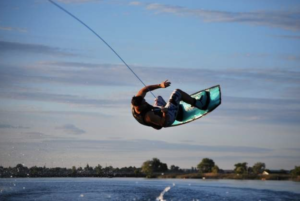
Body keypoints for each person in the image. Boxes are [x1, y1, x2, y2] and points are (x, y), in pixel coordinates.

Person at [131, 80, 209, 130]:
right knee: (177, 93)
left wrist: (160, 85)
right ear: (139, 106)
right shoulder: (148, 116)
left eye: (144, 101)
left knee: (158, 99)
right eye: (144, 103)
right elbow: (162, 124)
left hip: (157, 115)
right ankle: (200, 104)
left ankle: (175, 110)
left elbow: (144, 90)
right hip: (167, 120)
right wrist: (164, 113)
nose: (145, 103)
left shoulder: (135, 103)